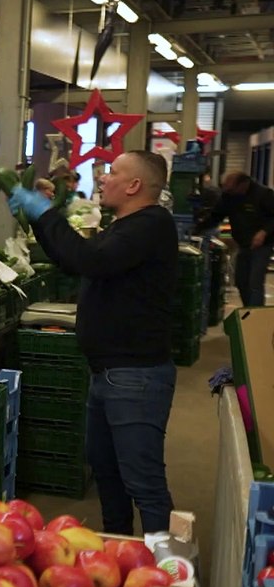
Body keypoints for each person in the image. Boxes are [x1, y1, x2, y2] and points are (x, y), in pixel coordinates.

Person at [10, 150, 178, 534]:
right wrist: (40, 218)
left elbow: (90, 260)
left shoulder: (150, 225)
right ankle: (118, 553)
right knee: (108, 475)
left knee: (144, 484)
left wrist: (44, 212)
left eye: (112, 173)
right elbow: (76, 259)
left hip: (135, 376)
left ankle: (168, 578)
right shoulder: (127, 225)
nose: (102, 178)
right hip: (109, 373)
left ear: (134, 185)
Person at [195, 171, 274, 306]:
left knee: (255, 282)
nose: (228, 192)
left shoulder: (264, 195)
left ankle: (255, 316)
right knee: (241, 281)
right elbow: (216, 216)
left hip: (262, 246)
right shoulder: (229, 196)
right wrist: (197, 228)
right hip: (243, 244)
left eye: (231, 189)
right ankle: (248, 309)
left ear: (244, 184)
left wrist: (264, 232)